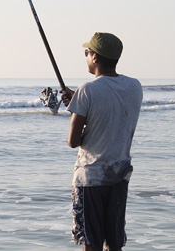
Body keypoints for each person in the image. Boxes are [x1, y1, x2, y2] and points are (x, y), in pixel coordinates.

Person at [61, 32, 143, 251]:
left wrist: (77, 108)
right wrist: (78, 104)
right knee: (114, 243)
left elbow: (74, 141)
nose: (86, 57)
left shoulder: (86, 90)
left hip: (90, 178)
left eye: (87, 53)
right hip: (119, 175)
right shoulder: (135, 86)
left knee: (91, 243)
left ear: (95, 57)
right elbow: (109, 117)